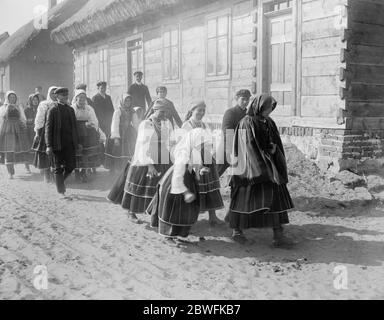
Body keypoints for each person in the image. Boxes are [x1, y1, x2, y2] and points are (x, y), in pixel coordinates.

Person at [228, 94, 295, 248]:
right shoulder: (247, 122)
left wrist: (273, 149)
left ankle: (278, 235)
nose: (268, 112)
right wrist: (263, 160)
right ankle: (237, 232)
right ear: (259, 107)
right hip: (249, 167)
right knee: (244, 198)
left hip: (268, 164)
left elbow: (274, 141)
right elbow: (248, 146)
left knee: (275, 197)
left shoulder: (269, 121)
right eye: (266, 109)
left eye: (270, 109)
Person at [148, 128, 214, 245]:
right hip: (175, 183)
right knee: (172, 209)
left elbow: (194, 165)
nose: (202, 147)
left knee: (183, 210)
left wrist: (201, 169)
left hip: (187, 179)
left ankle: (176, 233)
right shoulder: (183, 153)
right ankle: (167, 237)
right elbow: (177, 177)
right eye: (201, 144)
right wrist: (186, 192)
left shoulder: (194, 152)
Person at [120, 100, 174, 223]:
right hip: (146, 157)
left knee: (160, 186)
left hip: (163, 157)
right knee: (140, 184)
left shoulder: (167, 123)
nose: (164, 114)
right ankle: (131, 212)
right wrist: (149, 165)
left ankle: (157, 214)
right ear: (154, 110)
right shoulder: (146, 124)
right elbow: (144, 145)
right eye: (161, 112)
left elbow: (170, 141)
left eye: (166, 112)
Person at [182, 101, 224, 227]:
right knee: (195, 187)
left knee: (211, 188)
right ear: (192, 110)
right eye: (198, 110)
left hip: (207, 158)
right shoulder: (186, 125)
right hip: (193, 160)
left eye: (203, 111)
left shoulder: (204, 125)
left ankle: (213, 216)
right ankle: (189, 218)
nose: (201, 113)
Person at [45, 87, 80, 199]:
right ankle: (61, 191)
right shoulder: (52, 109)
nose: (65, 97)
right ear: (57, 96)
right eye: (63, 95)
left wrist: (77, 142)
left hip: (69, 143)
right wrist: (49, 145)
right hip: (57, 144)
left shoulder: (70, 109)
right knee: (58, 167)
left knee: (71, 166)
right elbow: (48, 129)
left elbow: (75, 127)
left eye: (66, 95)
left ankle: (59, 181)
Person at [217, 89, 251, 177]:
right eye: (243, 99)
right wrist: (232, 151)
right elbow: (227, 132)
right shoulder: (231, 112)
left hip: (242, 149)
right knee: (216, 173)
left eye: (247, 99)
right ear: (237, 99)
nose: (245, 102)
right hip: (227, 149)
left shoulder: (248, 114)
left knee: (240, 175)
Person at [71, 89, 103, 183]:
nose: (81, 101)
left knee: (86, 153)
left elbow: (94, 120)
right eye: (80, 99)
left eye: (83, 99)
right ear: (76, 99)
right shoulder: (72, 109)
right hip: (75, 132)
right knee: (76, 153)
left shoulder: (89, 108)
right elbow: (70, 122)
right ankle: (77, 172)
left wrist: (91, 125)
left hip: (87, 134)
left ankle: (84, 172)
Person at [105, 94, 137, 173]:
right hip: (119, 131)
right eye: (126, 100)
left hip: (128, 132)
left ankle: (126, 169)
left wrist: (138, 133)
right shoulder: (118, 111)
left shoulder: (132, 111)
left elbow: (136, 123)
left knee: (128, 151)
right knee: (117, 151)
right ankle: (114, 169)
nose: (128, 102)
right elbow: (115, 124)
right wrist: (116, 137)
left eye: (129, 100)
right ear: (122, 101)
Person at [0, 91, 29, 179]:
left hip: (17, 129)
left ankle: (26, 166)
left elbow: (23, 118)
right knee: (9, 150)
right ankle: (10, 172)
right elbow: (1, 119)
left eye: (14, 97)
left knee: (18, 149)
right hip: (7, 130)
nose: (12, 99)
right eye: (10, 97)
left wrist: (23, 125)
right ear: (7, 98)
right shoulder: (3, 107)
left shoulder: (19, 107)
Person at [32, 86, 57, 183]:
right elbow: (39, 119)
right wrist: (38, 132)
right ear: (49, 94)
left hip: (58, 131)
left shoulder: (61, 104)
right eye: (52, 93)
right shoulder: (44, 104)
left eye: (56, 93)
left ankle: (56, 174)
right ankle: (47, 174)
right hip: (45, 131)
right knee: (45, 153)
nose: (54, 95)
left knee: (57, 153)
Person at [24, 93, 40, 173]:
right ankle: (27, 167)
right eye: (33, 100)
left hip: (37, 131)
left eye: (36, 100)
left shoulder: (40, 109)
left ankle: (38, 165)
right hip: (29, 131)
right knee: (28, 148)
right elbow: (24, 119)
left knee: (37, 148)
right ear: (30, 100)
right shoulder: (26, 109)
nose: (35, 101)